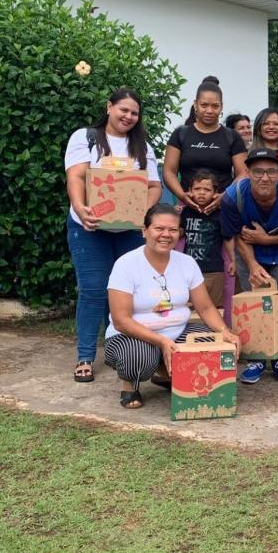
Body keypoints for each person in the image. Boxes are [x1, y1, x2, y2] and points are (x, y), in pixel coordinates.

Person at [64, 88, 163, 383]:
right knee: (94, 291)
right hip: (89, 229)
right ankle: (84, 356)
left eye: (134, 113)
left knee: (127, 294)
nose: (128, 117)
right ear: (109, 107)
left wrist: (139, 215)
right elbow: (76, 176)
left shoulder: (142, 145)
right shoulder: (86, 137)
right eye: (123, 110)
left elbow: (154, 187)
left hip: (129, 232)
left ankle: (119, 349)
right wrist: (81, 208)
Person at [104, 204, 241, 409]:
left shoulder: (187, 263)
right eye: (159, 228)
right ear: (145, 230)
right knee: (138, 360)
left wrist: (225, 331)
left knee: (214, 344)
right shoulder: (126, 264)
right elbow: (121, 320)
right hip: (133, 335)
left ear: (179, 233)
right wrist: (161, 341)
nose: (166, 234)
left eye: (173, 230)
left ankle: (168, 373)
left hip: (177, 331)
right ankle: (130, 385)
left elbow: (205, 308)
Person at [220, 148, 278, 384]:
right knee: (253, 305)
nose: (265, 178)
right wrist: (251, 264)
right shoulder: (233, 196)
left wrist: (267, 240)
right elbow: (236, 235)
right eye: (258, 171)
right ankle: (256, 359)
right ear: (247, 172)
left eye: (271, 171)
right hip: (249, 252)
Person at [163, 76, 248, 213]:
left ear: (221, 107)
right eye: (204, 105)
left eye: (215, 106)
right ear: (195, 105)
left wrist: (225, 197)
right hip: (187, 208)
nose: (209, 111)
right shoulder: (180, 134)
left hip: (224, 208)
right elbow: (169, 171)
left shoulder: (232, 137)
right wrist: (182, 195)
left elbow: (243, 173)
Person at [179, 170, 235, 308]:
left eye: (207, 189)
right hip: (189, 271)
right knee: (190, 307)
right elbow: (177, 234)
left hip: (214, 270)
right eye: (197, 189)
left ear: (216, 193)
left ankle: (216, 330)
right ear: (190, 191)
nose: (202, 192)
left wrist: (234, 260)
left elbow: (228, 238)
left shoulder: (220, 214)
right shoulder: (185, 212)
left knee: (215, 307)